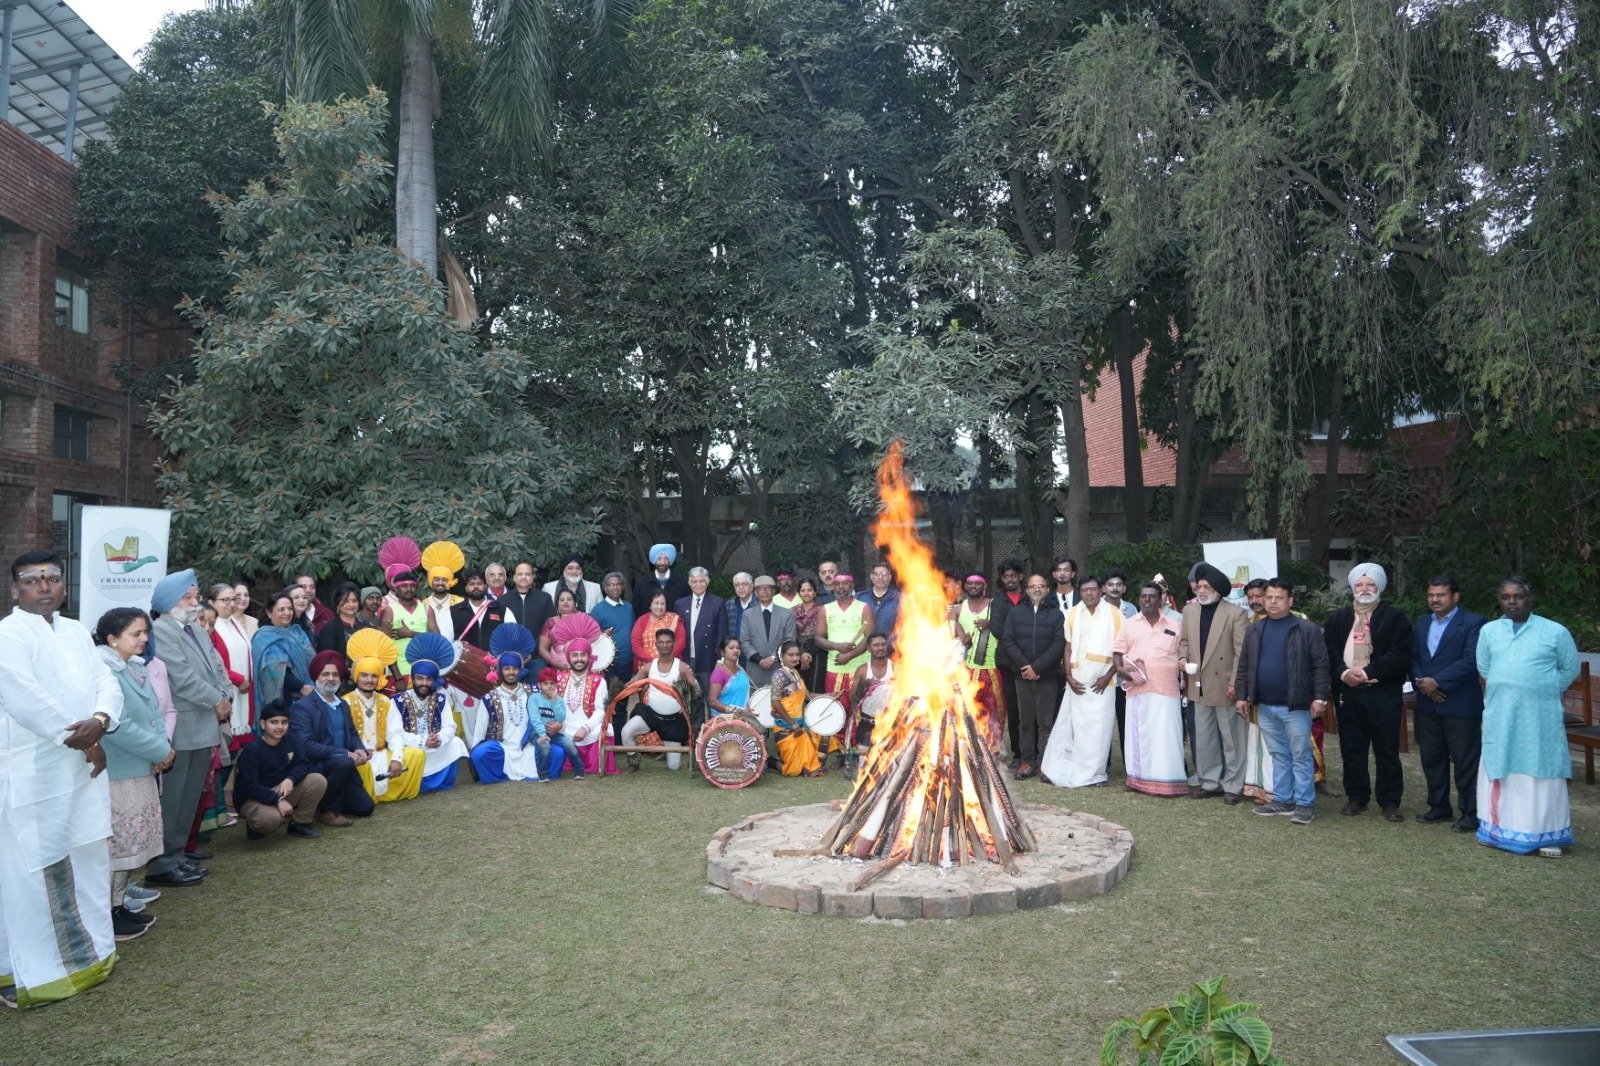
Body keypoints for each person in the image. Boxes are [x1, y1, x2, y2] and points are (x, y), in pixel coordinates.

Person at [0, 551, 122, 1007]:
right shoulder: (7, 635)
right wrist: (85, 740)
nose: (44, 586)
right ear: (15, 590)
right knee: (38, 869)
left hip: (81, 772)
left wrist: (101, 719)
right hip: (35, 773)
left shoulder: (74, 631)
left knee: (87, 855)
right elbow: (23, 697)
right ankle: (41, 972)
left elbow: (105, 681)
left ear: (63, 585)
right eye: (32, 580)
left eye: (52, 578)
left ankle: (93, 955)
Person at [1476, 578, 1580, 855]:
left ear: (1530, 599)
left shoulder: (1554, 631)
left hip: (1539, 717)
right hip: (1502, 713)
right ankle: (1499, 831)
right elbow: (1485, 667)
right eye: (1505, 597)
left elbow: (1570, 669)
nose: (1512, 601)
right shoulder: (1489, 631)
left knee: (1541, 770)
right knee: (1502, 764)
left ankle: (1547, 836)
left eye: (1518, 596)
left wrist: (1545, 688)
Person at [148, 569, 232, 886]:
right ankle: (162, 864)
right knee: (173, 799)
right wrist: (216, 700)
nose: (196, 602)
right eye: (188, 597)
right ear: (170, 602)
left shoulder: (195, 629)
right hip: (181, 726)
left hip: (204, 723)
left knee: (190, 796)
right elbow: (180, 677)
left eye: (196, 596)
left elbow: (216, 667)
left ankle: (178, 854)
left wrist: (225, 695)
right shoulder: (160, 630)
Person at [95, 608, 173, 940]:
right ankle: (106, 914)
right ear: (113, 639)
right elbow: (118, 726)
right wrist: (159, 750)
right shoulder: (103, 670)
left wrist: (160, 748)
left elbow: (153, 714)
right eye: (136, 633)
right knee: (119, 845)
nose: (144, 639)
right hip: (120, 770)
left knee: (130, 842)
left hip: (140, 764)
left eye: (145, 632)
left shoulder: (132, 666)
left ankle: (118, 905)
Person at [1235, 579, 1331, 825]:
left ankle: (1305, 804)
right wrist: (1242, 696)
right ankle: (1283, 800)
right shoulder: (1255, 629)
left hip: (1296, 706)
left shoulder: (1306, 629)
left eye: (1279, 597)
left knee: (1300, 755)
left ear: (1290, 600)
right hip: (1265, 705)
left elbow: (1321, 666)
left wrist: (1320, 698)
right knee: (1278, 754)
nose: (1273, 602)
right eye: (1269, 597)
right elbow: (1244, 665)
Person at [1324, 562, 1411, 821]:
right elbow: (1328, 651)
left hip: (1382, 693)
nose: (1364, 589)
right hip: (1347, 693)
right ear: (1353, 588)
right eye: (1359, 584)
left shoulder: (1395, 618)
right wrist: (1343, 673)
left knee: (1387, 750)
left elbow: (1399, 654)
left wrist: (1366, 672)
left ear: (1380, 587)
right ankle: (1356, 797)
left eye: (1370, 584)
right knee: (1352, 749)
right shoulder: (1338, 618)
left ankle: (1390, 801)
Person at [1410, 576, 1486, 831]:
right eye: (1431, 595)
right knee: (1432, 758)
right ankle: (1439, 806)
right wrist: (1424, 684)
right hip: (1428, 703)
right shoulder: (1422, 623)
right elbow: (1414, 658)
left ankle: (1470, 813)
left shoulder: (1474, 623)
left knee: (1465, 761)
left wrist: (1438, 682)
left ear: (1455, 596)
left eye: (1441, 595)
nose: (1435, 599)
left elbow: (1471, 660)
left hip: (1460, 704)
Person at [1042, 575, 1123, 788]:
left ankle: (1094, 774)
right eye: (1085, 590)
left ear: (1101, 590)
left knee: (1099, 731)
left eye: (1093, 589)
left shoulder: (1114, 614)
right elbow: (1068, 646)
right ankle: (1068, 767)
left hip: (1103, 683)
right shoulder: (1073, 613)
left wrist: (1108, 676)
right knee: (1074, 727)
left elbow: (1122, 649)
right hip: (1077, 680)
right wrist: (1068, 676)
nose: (1089, 593)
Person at [1180, 563, 1252, 803]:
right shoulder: (1189, 611)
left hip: (1225, 686)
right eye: (1199, 587)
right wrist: (1182, 658)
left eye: (1207, 587)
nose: (1201, 591)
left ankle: (1233, 786)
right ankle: (1210, 783)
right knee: (1204, 738)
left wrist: (1235, 683)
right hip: (1198, 684)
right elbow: (1184, 642)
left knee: (1232, 739)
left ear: (1218, 590)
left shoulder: (1235, 614)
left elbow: (1242, 653)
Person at [1114, 583, 1188, 797]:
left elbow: (1183, 652)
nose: (1147, 600)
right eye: (1143, 596)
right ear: (1139, 599)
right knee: (1140, 736)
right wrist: (1120, 669)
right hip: (1138, 689)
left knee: (1166, 737)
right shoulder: (1129, 624)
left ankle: (1169, 781)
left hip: (1167, 690)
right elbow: (1117, 652)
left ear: (1161, 600)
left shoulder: (1175, 624)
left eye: (1152, 596)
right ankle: (1137, 779)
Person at [289, 651, 375, 824]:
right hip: (316, 767)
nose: (331, 678)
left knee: (365, 808)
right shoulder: (302, 707)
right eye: (325, 674)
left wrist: (359, 749)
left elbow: (351, 733)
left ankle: (321, 802)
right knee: (345, 762)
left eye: (335, 674)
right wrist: (345, 753)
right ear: (316, 676)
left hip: (343, 766)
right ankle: (327, 810)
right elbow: (306, 746)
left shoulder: (342, 703)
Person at [232, 700, 326, 840]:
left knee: (318, 780)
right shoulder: (252, 750)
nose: (280, 727)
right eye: (274, 722)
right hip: (252, 797)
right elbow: (250, 785)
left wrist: (290, 779)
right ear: (263, 724)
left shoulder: (292, 740)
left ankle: (299, 824)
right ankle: (254, 825)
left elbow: (302, 764)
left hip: (280, 790)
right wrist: (277, 800)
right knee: (269, 820)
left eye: (284, 722)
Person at [1002, 574, 1065, 779]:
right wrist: (1026, 667)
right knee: (1026, 722)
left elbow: (1058, 645)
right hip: (1022, 676)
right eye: (1033, 586)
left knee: (1046, 723)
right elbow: (1008, 640)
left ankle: (1045, 764)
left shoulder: (1056, 615)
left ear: (1047, 590)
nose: (1037, 589)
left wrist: (1037, 668)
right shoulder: (1015, 613)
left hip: (1047, 677)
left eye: (1041, 586)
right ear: (1027, 590)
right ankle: (1027, 762)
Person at [344, 650, 425, 802]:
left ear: (379, 679)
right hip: (359, 757)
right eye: (364, 675)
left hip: (382, 752)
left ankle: (393, 792)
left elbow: (395, 734)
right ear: (356, 677)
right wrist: (357, 753)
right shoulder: (344, 702)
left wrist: (396, 758)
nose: (369, 680)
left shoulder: (386, 701)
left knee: (417, 755)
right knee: (359, 767)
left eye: (374, 676)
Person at [621, 628, 699, 770]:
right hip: (650, 715)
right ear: (656, 645)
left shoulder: (682, 667)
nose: (665, 645)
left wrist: (691, 690)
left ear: (674, 644)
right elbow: (632, 684)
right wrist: (627, 687)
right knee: (626, 732)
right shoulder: (648, 667)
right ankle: (634, 761)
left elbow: (697, 690)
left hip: (673, 721)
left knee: (674, 767)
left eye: (668, 642)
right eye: (661, 642)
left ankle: (668, 749)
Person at [392, 656, 469, 793]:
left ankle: (443, 782)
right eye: (420, 678)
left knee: (456, 742)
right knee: (408, 751)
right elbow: (395, 733)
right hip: (412, 747)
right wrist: (423, 741)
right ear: (413, 679)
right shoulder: (398, 701)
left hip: (435, 746)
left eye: (429, 679)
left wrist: (439, 738)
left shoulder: (440, 699)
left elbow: (450, 727)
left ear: (433, 681)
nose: (424, 683)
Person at [469, 645, 541, 782]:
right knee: (479, 754)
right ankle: (500, 774)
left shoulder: (533, 692)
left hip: (529, 746)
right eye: (507, 669)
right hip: (502, 749)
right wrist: (474, 752)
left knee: (557, 753)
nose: (511, 672)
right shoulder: (489, 698)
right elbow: (479, 732)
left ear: (520, 670)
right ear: (500, 671)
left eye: (515, 668)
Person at [951, 574, 1002, 751]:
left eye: (977, 583)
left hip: (991, 668)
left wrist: (991, 623)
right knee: (967, 711)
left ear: (984, 586)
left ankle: (993, 750)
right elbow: (949, 622)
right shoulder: (958, 608)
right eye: (970, 584)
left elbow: (1005, 622)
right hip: (966, 670)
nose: (973, 586)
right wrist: (960, 632)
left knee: (992, 712)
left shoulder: (994, 606)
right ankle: (969, 749)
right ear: (965, 586)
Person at [252, 590, 316, 709]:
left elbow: (312, 661)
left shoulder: (297, 632)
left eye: (290, 609)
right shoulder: (265, 637)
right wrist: (301, 687)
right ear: (269, 613)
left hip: (308, 692)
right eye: (281, 609)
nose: (287, 613)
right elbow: (275, 669)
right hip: (282, 696)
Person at [676, 566, 726, 715]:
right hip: (687, 659)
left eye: (701, 581)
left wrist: (720, 659)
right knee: (690, 699)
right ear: (689, 583)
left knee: (711, 699)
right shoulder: (680, 604)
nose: (698, 584)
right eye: (694, 581)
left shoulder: (718, 602)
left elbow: (722, 633)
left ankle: (712, 727)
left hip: (708, 660)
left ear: (707, 582)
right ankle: (694, 728)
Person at [590, 572, 635, 736]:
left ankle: (619, 738)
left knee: (622, 701)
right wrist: (603, 635)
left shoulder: (628, 607)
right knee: (608, 702)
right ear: (605, 588)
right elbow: (592, 638)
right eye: (610, 585)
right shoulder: (598, 610)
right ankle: (605, 737)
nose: (614, 587)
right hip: (609, 665)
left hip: (627, 662)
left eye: (617, 584)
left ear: (622, 587)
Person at [990, 559, 1026, 766]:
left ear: (1020, 576)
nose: (1010, 579)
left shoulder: (1029, 597)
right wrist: (1021, 640)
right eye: (1006, 576)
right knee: (1013, 710)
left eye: (1013, 575)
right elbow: (997, 628)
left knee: (1030, 710)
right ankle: (1018, 754)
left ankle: (1034, 753)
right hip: (1007, 662)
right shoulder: (998, 601)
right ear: (1002, 579)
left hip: (1031, 661)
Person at [557, 639, 611, 776]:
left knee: (606, 729)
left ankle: (594, 763)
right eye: (575, 655)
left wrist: (585, 728)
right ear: (568, 657)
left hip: (587, 727)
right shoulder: (558, 678)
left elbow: (600, 710)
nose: (579, 659)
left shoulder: (599, 681)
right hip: (564, 727)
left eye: (583, 655)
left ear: (589, 657)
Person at [770, 641, 823, 776]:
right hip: (785, 726)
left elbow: (807, 696)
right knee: (793, 770)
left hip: (799, 725)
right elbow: (775, 702)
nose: (795, 658)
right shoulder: (778, 675)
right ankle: (772, 762)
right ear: (782, 656)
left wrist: (829, 696)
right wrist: (793, 724)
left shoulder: (796, 673)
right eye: (790, 655)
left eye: (797, 654)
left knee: (812, 766)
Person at [741, 576, 797, 689]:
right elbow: (744, 641)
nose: (764, 591)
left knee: (782, 698)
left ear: (774, 591)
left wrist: (773, 658)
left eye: (768, 588)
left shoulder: (786, 614)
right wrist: (759, 660)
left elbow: (790, 640)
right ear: (756, 592)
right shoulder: (748, 614)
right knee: (757, 699)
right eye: (761, 588)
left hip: (780, 668)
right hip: (755, 669)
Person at [530, 668, 583, 780]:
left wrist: (554, 701)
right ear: (539, 685)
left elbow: (560, 718)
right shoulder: (534, 698)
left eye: (552, 683)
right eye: (545, 683)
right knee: (544, 746)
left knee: (569, 744)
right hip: (537, 732)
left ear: (556, 685)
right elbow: (535, 719)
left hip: (554, 733)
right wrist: (542, 734)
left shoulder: (559, 700)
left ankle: (579, 770)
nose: (549, 687)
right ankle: (543, 774)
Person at [848, 633, 894, 749]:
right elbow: (852, 696)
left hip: (890, 722)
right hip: (867, 722)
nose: (880, 648)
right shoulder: (863, 670)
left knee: (888, 754)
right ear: (868, 648)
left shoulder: (895, 668)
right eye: (876, 645)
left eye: (883, 644)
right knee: (864, 754)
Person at [381, 568, 428, 677]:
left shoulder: (426, 608)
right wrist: (398, 679)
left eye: (412, 586)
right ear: (396, 589)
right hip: (400, 671)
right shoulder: (389, 611)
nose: (409, 589)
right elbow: (385, 647)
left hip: (425, 671)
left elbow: (437, 638)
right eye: (404, 586)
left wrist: (411, 633)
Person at [450, 569, 504, 651]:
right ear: (466, 588)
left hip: (493, 658)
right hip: (465, 658)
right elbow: (447, 640)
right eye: (472, 584)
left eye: (479, 583)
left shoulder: (501, 609)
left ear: (486, 586)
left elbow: (510, 636)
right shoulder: (454, 611)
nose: (476, 587)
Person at [317, 581, 374, 658]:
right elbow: (327, 658)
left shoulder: (367, 626)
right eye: (346, 601)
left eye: (354, 601)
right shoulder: (330, 629)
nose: (351, 604)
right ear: (338, 604)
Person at [500, 561, 556, 638]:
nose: (523, 577)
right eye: (520, 574)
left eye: (527, 574)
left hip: (538, 645)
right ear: (514, 578)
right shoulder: (503, 600)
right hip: (510, 645)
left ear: (532, 577)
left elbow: (550, 627)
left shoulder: (545, 598)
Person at [631, 588, 686, 666]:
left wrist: (665, 659)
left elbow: (681, 642)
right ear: (650, 605)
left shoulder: (674, 619)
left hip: (671, 665)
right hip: (646, 666)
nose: (660, 607)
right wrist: (653, 660)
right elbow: (636, 645)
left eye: (662, 603)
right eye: (656, 603)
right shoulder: (642, 620)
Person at [791, 577, 828, 692]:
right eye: (803, 590)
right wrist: (801, 654)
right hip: (796, 653)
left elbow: (825, 634)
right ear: (799, 593)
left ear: (815, 592)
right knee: (799, 689)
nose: (806, 593)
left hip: (818, 652)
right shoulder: (792, 611)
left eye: (809, 590)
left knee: (815, 688)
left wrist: (808, 654)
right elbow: (790, 635)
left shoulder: (823, 610)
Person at [632, 543, 689, 616]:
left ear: (670, 561)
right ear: (654, 560)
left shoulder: (681, 582)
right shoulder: (642, 583)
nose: (662, 562)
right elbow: (635, 611)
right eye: (659, 559)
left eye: (666, 559)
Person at [707, 636, 751, 716]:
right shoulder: (719, 672)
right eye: (731, 648)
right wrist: (733, 711)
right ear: (722, 652)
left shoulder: (741, 670)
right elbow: (712, 701)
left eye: (738, 648)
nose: (736, 650)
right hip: (724, 719)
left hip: (743, 718)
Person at [863, 564, 901, 646]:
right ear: (871, 577)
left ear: (890, 577)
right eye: (877, 574)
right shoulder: (860, 598)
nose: (880, 577)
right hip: (865, 649)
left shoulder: (900, 599)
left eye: (884, 574)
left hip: (892, 648)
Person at [723, 573, 756, 647]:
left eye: (744, 584)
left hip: (754, 650)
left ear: (751, 587)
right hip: (734, 650)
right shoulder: (729, 605)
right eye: (737, 585)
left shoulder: (760, 605)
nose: (741, 587)